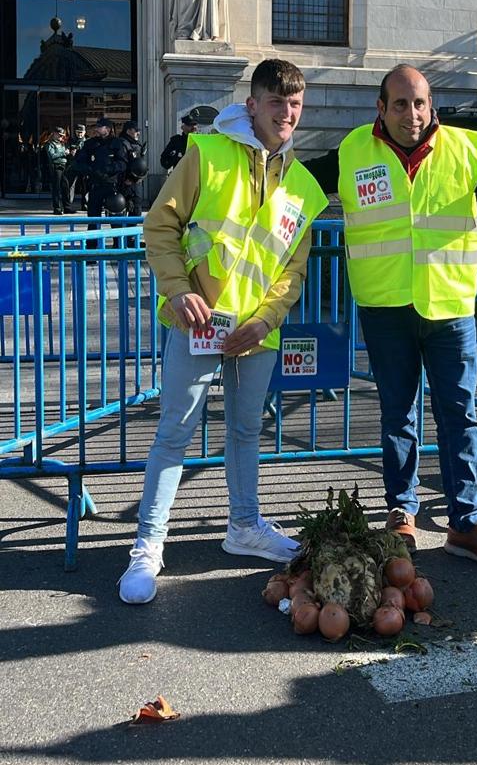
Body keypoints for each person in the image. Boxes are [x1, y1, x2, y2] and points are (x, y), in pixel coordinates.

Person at [304, 64, 477, 571]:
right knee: (398, 417)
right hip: (386, 308)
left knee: (458, 416)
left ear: (433, 108)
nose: (412, 113)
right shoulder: (353, 151)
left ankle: (465, 524)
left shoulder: (463, 150)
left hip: (449, 309)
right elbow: (292, 186)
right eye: (400, 104)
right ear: (380, 108)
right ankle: (402, 513)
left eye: (420, 103)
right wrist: (245, 148)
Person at [118, 59, 328, 604]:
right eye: (277, 102)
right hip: (199, 321)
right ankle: (148, 544)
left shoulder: (304, 185)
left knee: (244, 432)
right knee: (174, 434)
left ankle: (244, 527)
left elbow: (292, 271)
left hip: (254, 331)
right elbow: (160, 224)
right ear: (252, 103)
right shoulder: (206, 153)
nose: (288, 113)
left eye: (296, 104)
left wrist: (265, 321)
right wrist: (175, 288)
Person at [71, 117, 128, 245]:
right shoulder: (90, 144)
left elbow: (123, 164)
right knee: (93, 219)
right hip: (95, 185)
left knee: (115, 218)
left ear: (107, 129)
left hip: (112, 186)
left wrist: (108, 169)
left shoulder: (117, 143)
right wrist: (90, 170)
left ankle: (118, 248)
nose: (96, 129)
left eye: (99, 127)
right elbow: (78, 162)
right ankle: (92, 249)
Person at [43, 126, 74, 215]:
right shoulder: (49, 144)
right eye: (59, 135)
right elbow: (52, 155)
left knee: (65, 187)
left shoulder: (62, 144)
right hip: (56, 166)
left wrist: (70, 154)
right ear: (55, 134)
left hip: (63, 166)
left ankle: (67, 207)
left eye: (62, 135)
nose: (61, 137)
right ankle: (57, 208)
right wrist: (64, 153)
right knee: (56, 188)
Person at [119, 120, 146, 218]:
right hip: (125, 182)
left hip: (136, 182)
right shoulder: (122, 144)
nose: (138, 133)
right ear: (128, 131)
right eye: (136, 130)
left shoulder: (137, 144)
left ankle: (131, 233)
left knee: (136, 211)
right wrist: (128, 179)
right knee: (121, 209)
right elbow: (122, 164)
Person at [66, 123, 88, 210]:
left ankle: (85, 204)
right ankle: (68, 204)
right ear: (75, 132)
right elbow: (66, 151)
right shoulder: (71, 141)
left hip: (83, 167)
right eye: (78, 132)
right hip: (74, 166)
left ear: (84, 132)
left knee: (85, 187)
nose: (79, 134)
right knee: (71, 186)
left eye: (81, 132)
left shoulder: (87, 142)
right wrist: (70, 153)